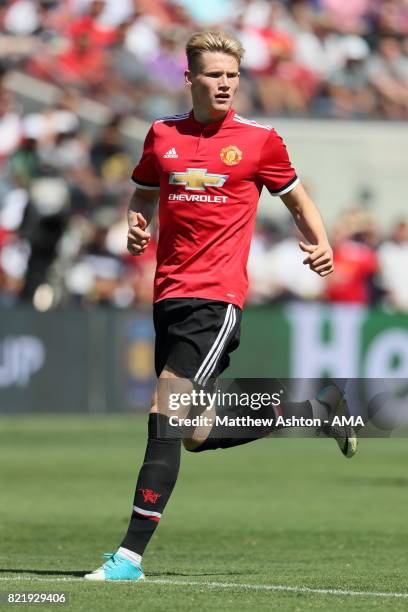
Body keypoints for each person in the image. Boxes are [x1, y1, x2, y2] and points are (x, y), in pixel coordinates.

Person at [85, 30, 357, 582]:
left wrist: (321, 242)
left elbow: (298, 200)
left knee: (164, 414)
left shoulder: (260, 141)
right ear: (190, 79)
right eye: (213, 74)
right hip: (168, 295)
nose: (225, 83)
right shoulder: (162, 135)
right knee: (194, 431)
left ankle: (128, 557)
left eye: (232, 75)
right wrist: (138, 224)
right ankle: (315, 410)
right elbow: (143, 192)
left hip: (216, 299)